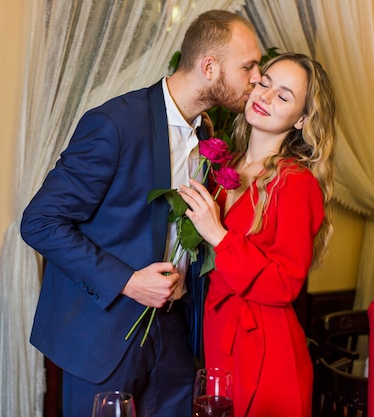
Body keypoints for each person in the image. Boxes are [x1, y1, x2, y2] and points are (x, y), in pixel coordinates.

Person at [19, 9, 261, 417]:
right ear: (209, 67)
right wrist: (127, 281)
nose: (257, 78)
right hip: (103, 338)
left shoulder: (207, 138)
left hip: (174, 336)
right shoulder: (114, 125)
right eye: (248, 66)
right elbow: (40, 222)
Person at [179, 53, 336, 417]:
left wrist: (219, 236)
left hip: (266, 349)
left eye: (283, 96)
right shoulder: (222, 166)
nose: (264, 97)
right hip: (216, 333)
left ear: (302, 119)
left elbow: (286, 285)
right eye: (264, 83)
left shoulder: (297, 184)